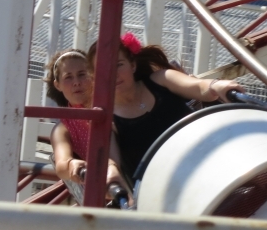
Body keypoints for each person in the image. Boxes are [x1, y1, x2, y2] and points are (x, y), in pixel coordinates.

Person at [88, 33, 241, 181]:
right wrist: (111, 171)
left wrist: (217, 85)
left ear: (132, 65)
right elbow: (111, 162)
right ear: (95, 77)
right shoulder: (107, 119)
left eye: (119, 65)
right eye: (104, 69)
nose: (113, 74)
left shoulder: (161, 80)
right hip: (163, 191)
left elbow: (199, 86)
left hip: (206, 163)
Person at [43, 49, 130, 200]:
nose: (76, 82)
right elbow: (62, 164)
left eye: (82, 74)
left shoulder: (113, 102)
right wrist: (72, 165)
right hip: (111, 187)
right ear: (57, 85)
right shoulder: (63, 128)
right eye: (68, 77)